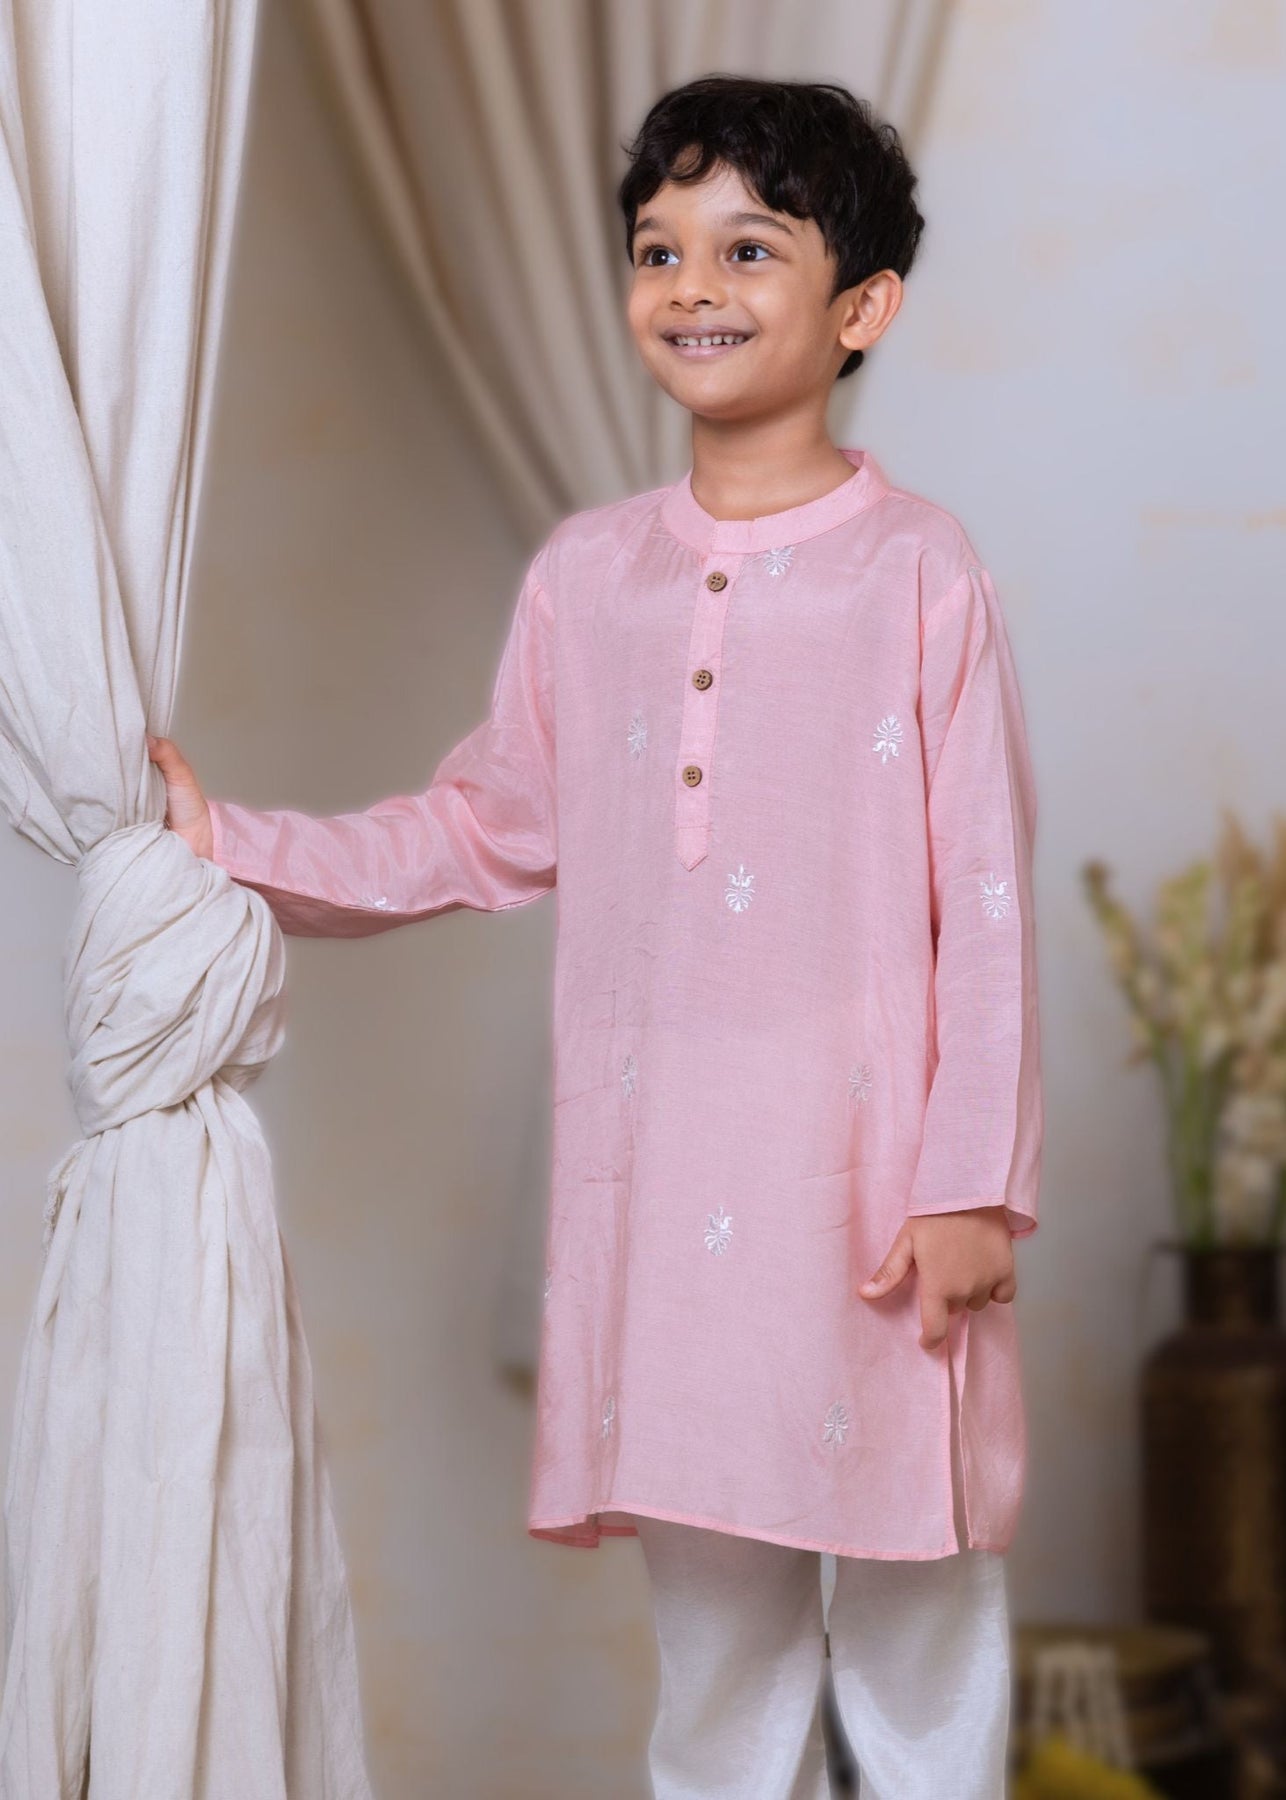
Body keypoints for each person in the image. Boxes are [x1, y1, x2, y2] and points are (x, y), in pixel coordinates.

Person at [150, 74, 1042, 1800]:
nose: (690, 284)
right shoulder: (588, 577)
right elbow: (479, 825)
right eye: (657, 248)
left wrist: (968, 1189)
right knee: (715, 1647)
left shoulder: (919, 573)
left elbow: (985, 909)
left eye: (748, 249)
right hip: (673, 1211)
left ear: (861, 307)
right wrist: (226, 847)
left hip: (879, 1205)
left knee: (917, 1617)